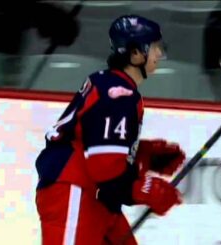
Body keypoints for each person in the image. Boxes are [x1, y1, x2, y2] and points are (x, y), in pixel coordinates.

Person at [35, 14, 186, 245]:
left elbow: (94, 143)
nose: (159, 54)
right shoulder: (118, 93)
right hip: (74, 191)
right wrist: (146, 189)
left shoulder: (109, 83)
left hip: (96, 196)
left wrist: (144, 155)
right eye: (154, 48)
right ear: (135, 54)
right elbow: (106, 171)